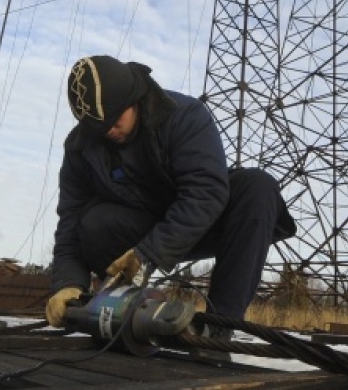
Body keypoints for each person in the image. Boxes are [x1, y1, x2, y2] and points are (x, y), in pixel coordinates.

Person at [45, 55, 296, 330]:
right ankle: (117, 315)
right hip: (138, 226)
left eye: (115, 119)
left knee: (258, 187)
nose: (109, 131)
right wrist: (68, 284)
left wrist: (148, 253)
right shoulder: (81, 148)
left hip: (201, 221)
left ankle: (219, 326)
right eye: (99, 127)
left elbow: (205, 194)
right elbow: (70, 218)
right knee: (92, 222)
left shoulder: (184, 115)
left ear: (134, 99)